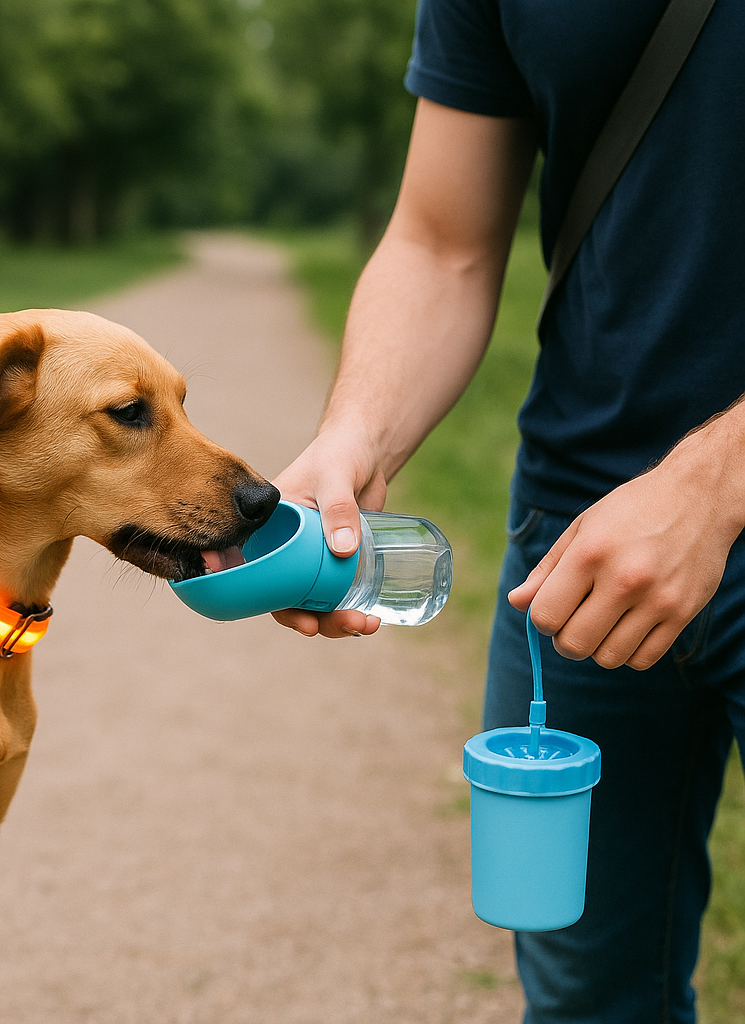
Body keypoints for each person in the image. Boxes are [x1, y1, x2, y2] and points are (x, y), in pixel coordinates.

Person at [271, 2, 745, 1022]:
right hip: (577, 532)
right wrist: (359, 430)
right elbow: (440, 240)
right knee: (584, 994)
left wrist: (719, 477)